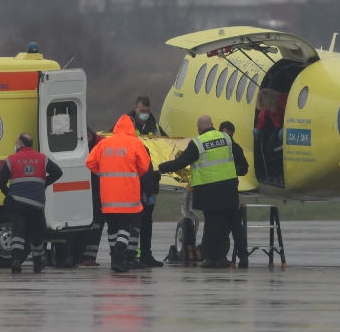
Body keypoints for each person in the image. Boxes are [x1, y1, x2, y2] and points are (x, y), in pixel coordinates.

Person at [157, 115, 247, 268]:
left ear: (199, 128)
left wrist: (160, 168)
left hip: (208, 192)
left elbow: (180, 163)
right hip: (229, 189)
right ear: (212, 124)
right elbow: (243, 165)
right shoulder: (226, 139)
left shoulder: (197, 143)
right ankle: (243, 258)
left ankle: (211, 258)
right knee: (235, 224)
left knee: (211, 225)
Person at [85, 115, 151, 274]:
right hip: (128, 196)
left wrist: (102, 173)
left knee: (113, 229)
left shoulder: (104, 143)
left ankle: (116, 258)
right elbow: (145, 166)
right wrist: (133, 174)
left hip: (107, 197)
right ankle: (118, 259)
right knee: (125, 229)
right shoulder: (135, 143)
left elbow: (90, 162)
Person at [0, 133, 63, 274]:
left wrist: (8, 193)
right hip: (36, 204)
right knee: (36, 233)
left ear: (20, 144)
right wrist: (44, 183)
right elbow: (58, 171)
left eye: (16, 142)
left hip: (17, 203)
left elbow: (0, 181)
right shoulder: (42, 158)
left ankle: (16, 260)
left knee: (18, 232)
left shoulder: (11, 160)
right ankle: (38, 261)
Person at [218, 121, 251, 267]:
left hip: (228, 191)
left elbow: (244, 168)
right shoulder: (219, 147)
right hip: (221, 190)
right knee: (222, 226)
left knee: (233, 225)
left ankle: (242, 256)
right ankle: (221, 255)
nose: (229, 139)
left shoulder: (235, 148)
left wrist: (233, 170)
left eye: (231, 136)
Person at [77, 127, 105, 267]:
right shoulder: (97, 143)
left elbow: (90, 164)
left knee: (97, 225)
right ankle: (86, 256)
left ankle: (89, 257)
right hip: (94, 190)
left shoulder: (101, 145)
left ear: (87, 135)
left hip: (102, 192)